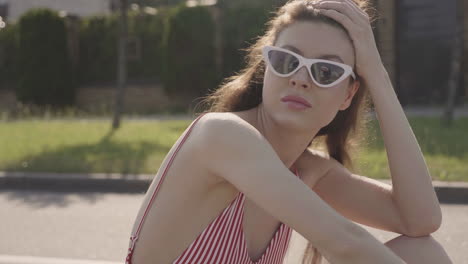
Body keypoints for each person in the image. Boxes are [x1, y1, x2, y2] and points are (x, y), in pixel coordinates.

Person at [125, 0, 452, 263]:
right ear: (267, 68)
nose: (299, 78)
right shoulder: (221, 136)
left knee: (423, 253)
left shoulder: (309, 171)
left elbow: (420, 220)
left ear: (348, 94)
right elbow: (346, 244)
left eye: (326, 71)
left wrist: (377, 76)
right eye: (285, 61)